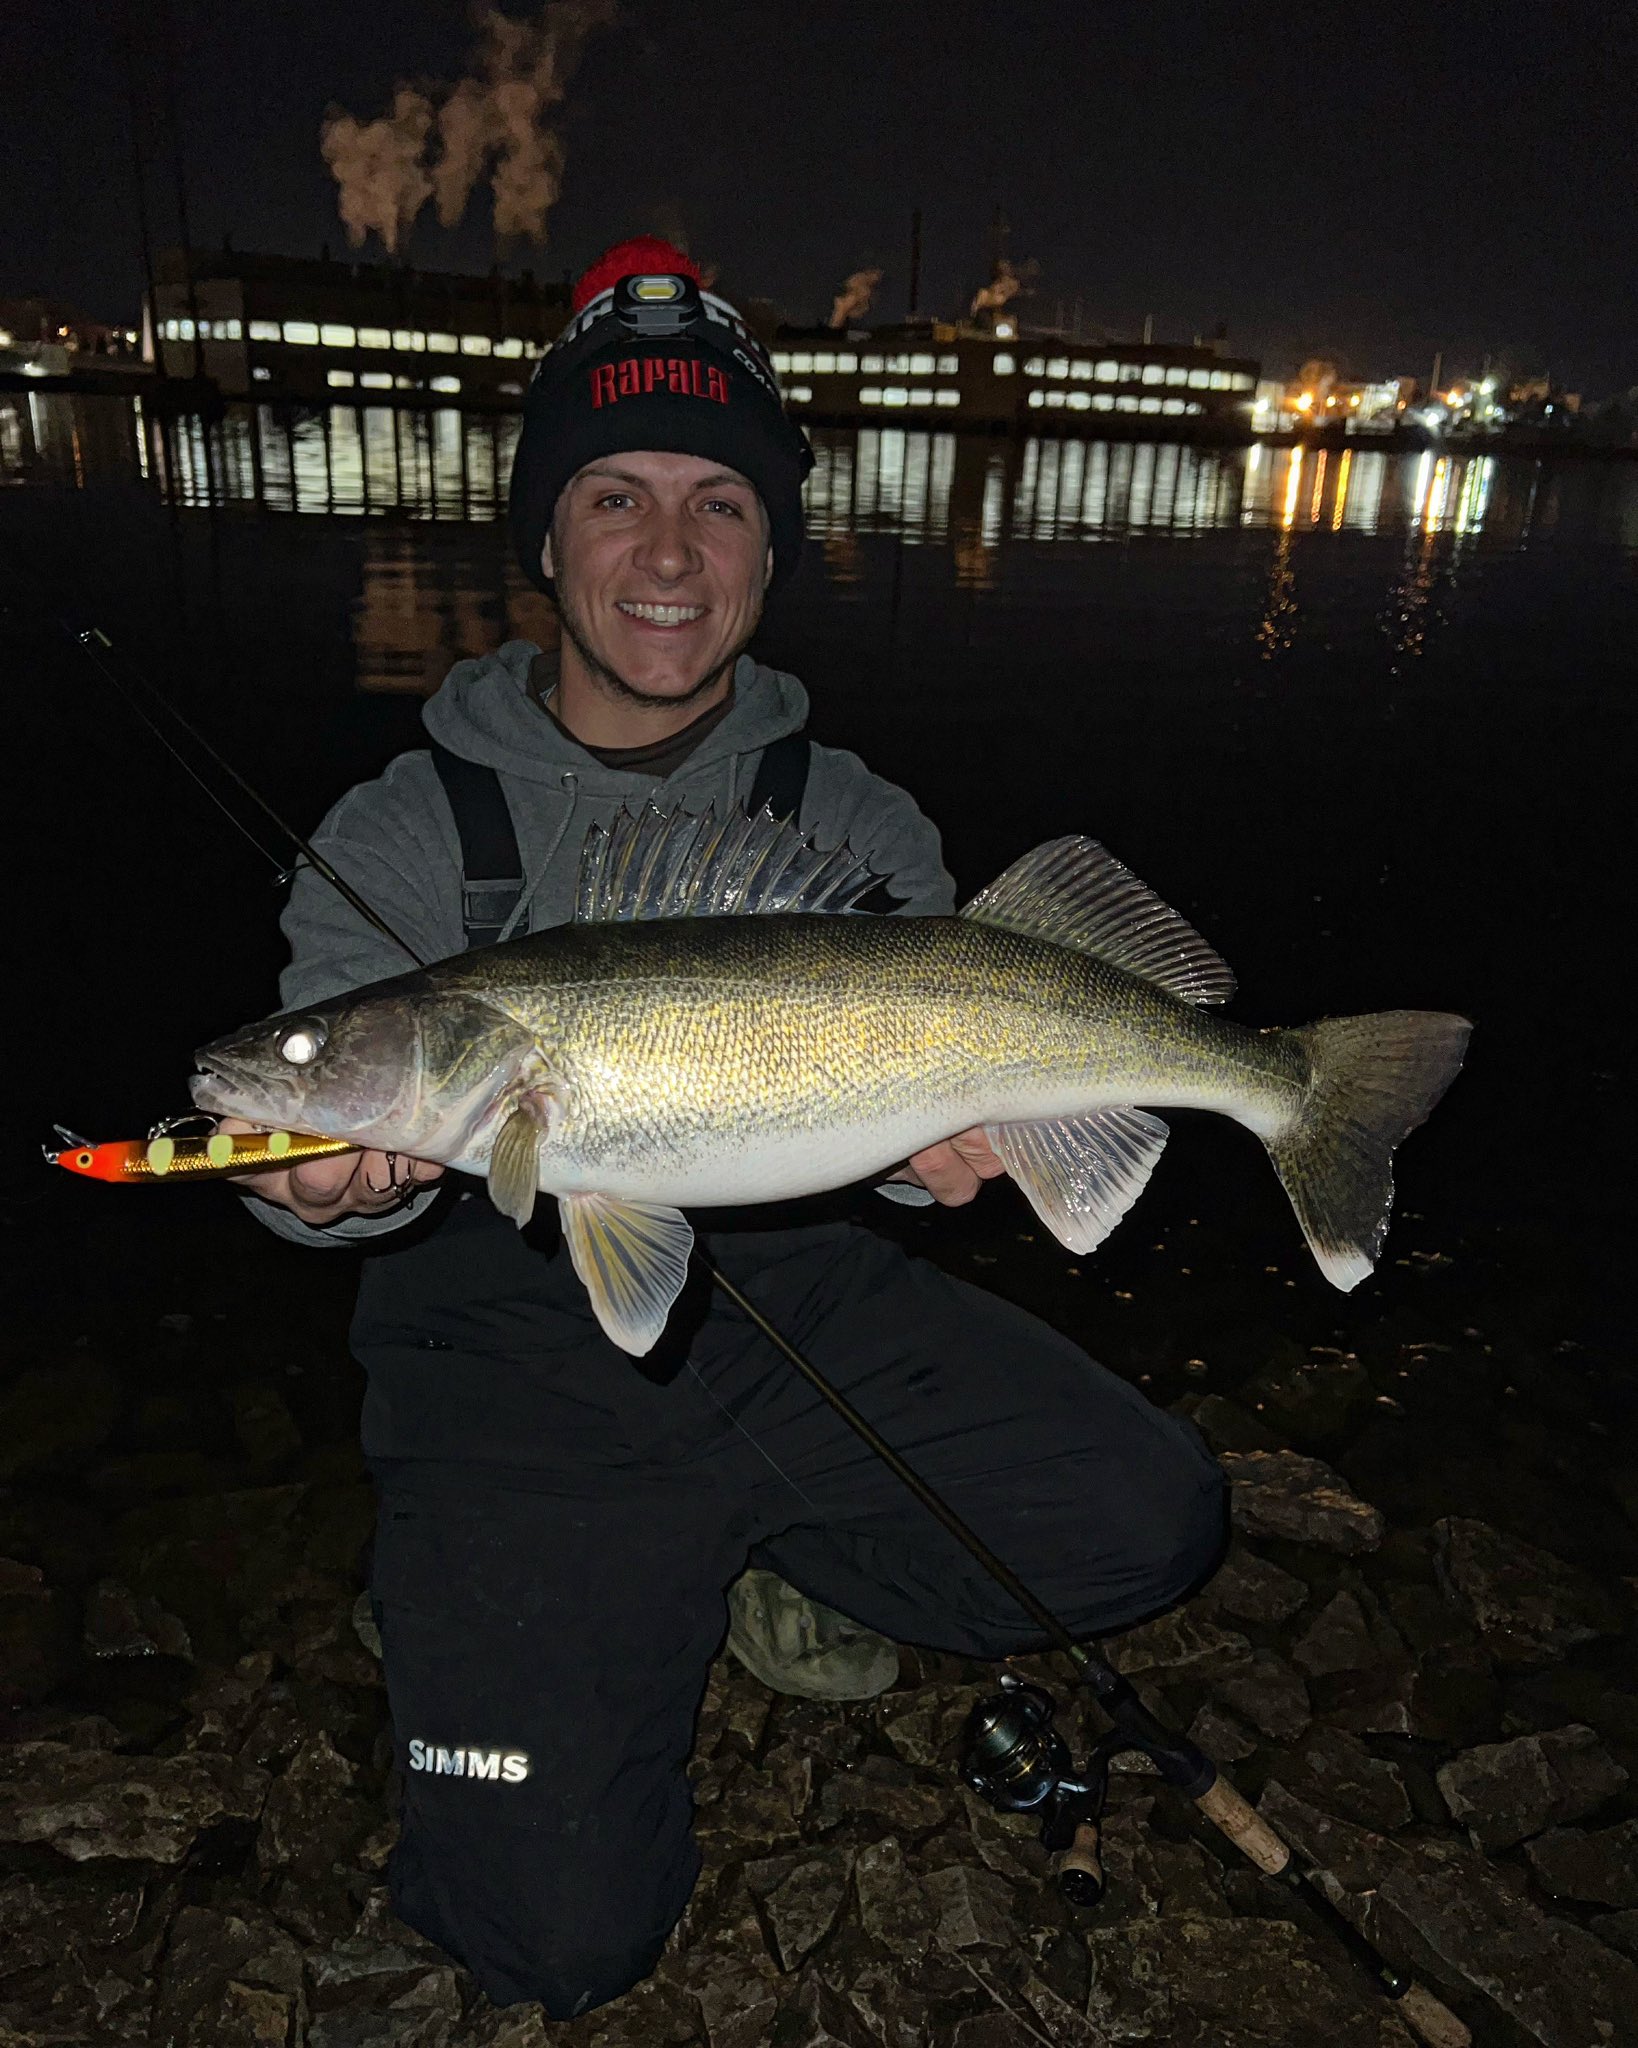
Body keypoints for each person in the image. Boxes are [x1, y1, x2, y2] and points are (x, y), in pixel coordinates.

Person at [229, 237, 1227, 2019]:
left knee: (1149, 1521)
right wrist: (318, 1182)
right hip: (509, 1367)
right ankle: (528, 1576)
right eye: (612, 498)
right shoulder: (393, 833)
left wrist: (951, 1165)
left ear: (773, 551)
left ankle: (731, 1548)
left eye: (718, 506)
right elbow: (306, 1137)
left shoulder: (844, 812)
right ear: (544, 542)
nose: (667, 554)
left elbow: (909, 1124)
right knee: (555, 1940)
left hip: (806, 1313)